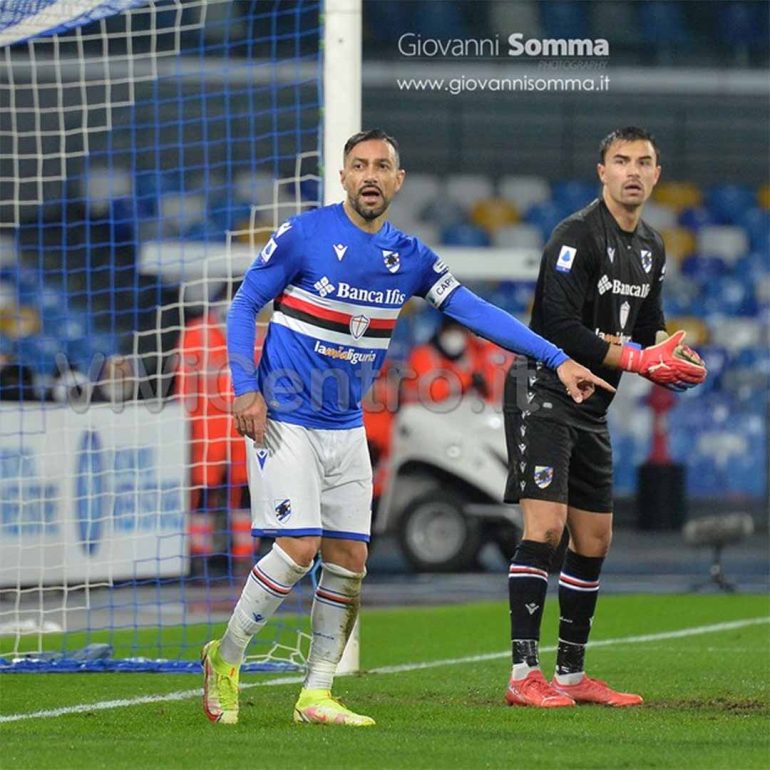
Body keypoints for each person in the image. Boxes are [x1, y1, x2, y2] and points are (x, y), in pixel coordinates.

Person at [201, 129, 614, 727]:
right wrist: (244, 390)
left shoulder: (411, 257)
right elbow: (243, 305)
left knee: (349, 558)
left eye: (382, 167)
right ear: (342, 176)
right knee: (297, 547)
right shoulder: (303, 235)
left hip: (345, 426)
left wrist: (557, 357)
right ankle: (226, 657)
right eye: (359, 165)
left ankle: (315, 694)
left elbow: (474, 310)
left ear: (398, 180)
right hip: (285, 417)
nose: (370, 175)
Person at [501, 126, 707, 709]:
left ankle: (570, 676)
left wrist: (675, 354)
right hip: (542, 389)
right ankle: (523, 675)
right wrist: (641, 358)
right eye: (622, 161)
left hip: (593, 403)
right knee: (545, 528)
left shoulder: (651, 247)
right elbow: (556, 328)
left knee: (594, 538)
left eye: (644, 162)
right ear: (602, 171)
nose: (633, 171)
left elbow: (649, 328)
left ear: (657, 174)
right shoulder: (575, 236)